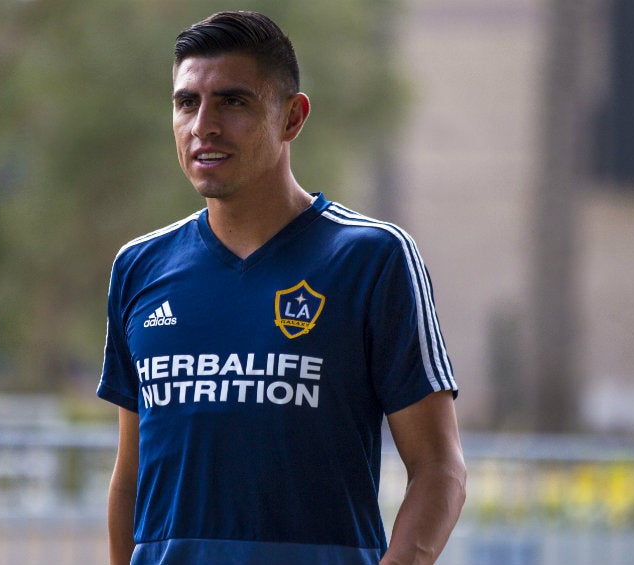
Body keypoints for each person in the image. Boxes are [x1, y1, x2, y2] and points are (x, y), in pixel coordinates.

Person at [98, 10, 465, 565]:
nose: (203, 126)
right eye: (186, 103)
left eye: (234, 101)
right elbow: (130, 479)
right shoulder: (139, 267)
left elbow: (440, 468)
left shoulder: (372, 258)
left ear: (293, 117)